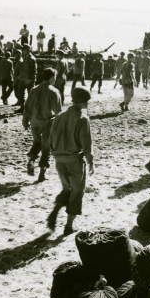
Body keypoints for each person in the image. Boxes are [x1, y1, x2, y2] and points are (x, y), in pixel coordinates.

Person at [47, 86, 94, 236]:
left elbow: (50, 139)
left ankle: (56, 209)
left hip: (59, 160)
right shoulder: (82, 119)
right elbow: (86, 145)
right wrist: (90, 161)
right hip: (74, 161)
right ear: (84, 102)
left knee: (66, 189)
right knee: (77, 192)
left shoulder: (59, 116)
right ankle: (68, 226)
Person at [24, 67, 63, 183]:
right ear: (51, 78)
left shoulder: (33, 90)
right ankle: (42, 174)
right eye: (54, 78)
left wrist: (25, 121)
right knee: (46, 149)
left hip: (34, 122)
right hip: (47, 123)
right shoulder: (54, 91)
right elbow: (58, 112)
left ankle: (31, 161)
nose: (55, 80)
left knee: (37, 143)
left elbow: (27, 107)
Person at [16, 45, 38, 112]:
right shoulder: (23, 57)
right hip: (23, 78)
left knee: (31, 94)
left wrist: (31, 80)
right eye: (23, 50)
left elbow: (34, 71)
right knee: (20, 93)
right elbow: (21, 68)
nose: (23, 51)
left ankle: (31, 108)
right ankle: (22, 107)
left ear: (29, 50)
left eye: (25, 50)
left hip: (29, 79)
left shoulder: (32, 59)